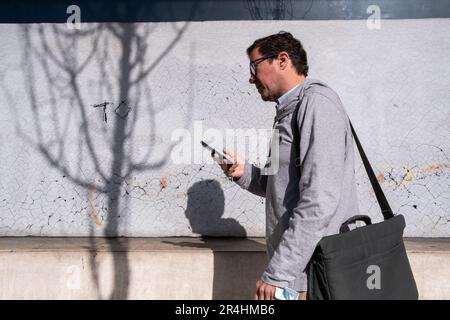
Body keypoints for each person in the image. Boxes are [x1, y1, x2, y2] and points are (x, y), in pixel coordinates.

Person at [215, 31, 359, 300]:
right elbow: (284, 187)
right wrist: (243, 172)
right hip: (299, 273)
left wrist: (279, 273)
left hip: (313, 274)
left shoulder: (316, 104)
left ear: (282, 60)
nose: (250, 78)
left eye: (254, 66)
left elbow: (319, 199)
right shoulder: (289, 111)